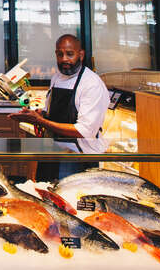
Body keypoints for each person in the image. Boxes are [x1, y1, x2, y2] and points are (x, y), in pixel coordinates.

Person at [9, 34, 109, 178]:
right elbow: (50, 111)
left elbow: (84, 131)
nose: (64, 59)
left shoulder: (91, 84)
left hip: (78, 157)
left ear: (81, 55)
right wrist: (36, 115)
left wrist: (40, 121)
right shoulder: (57, 77)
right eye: (59, 54)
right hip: (53, 151)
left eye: (69, 54)